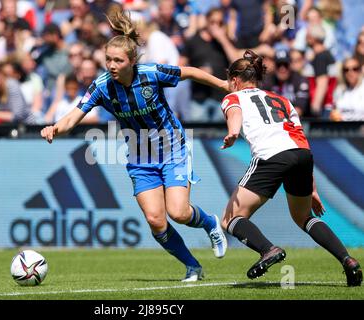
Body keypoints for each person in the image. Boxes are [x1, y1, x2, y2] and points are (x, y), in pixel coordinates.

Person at [41, 10, 228, 282]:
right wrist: (56, 127)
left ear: (131, 61)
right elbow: (75, 114)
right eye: (108, 60)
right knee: (156, 220)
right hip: (140, 155)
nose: (112, 65)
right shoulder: (102, 86)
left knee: (178, 212)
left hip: (172, 146)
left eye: (118, 60)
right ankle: (192, 266)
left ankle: (209, 222)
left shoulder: (151, 73)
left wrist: (222, 83)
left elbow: (188, 72)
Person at [219, 49, 362, 287]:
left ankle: (268, 249)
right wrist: (312, 187)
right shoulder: (282, 100)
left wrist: (233, 132)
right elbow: (300, 139)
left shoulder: (233, 97)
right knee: (304, 216)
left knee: (230, 218)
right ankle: (347, 259)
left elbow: (234, 113)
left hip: (271, 156)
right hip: (301, 155)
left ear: (235, 80)